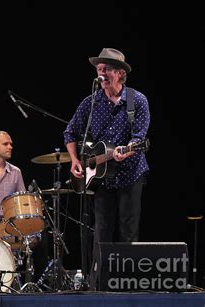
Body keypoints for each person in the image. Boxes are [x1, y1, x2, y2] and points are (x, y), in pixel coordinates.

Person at [63, 48, 150, 247]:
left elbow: (138, 137)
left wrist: (125, 151)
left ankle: (126, 277)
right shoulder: (91, 102)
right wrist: (75, 160)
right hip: (102, 178)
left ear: (121, 73)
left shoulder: (137, 100)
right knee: (101, 232)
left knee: (128, 231)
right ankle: (99, 278)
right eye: (99, 69)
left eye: (107, 69)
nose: (101, 73)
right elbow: (70, 132)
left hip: (131, 173)